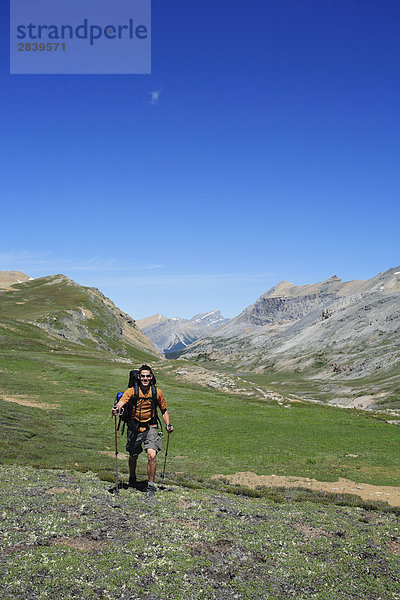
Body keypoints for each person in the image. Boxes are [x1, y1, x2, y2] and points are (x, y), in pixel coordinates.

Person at [112, 364, 173, 498]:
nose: (145, 378)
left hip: (151, 426)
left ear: (151, 377)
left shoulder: (157, 392)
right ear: (139, 377)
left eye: (148, 376)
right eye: (143, 376)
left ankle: (150, 486)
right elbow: (122, 401)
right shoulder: (131, 391)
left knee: (152, 454)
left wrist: (168, 424)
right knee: (133, 456)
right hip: (134, 426)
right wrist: (117, 408)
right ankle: (132, 478)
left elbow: (164, 410)